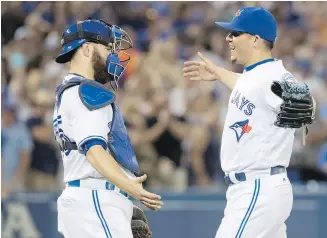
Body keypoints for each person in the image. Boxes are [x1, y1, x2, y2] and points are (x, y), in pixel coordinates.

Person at [183, 7, 315, 238]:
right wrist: (219, 73)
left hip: (258, 188)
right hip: (258, 188)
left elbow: (305, 101)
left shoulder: (274, 76)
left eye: (235, 34)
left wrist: (305, 107)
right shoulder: (256, 77)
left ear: (255, 39)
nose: (228, 38)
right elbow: (249, 86)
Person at [53, 19, 162, 238]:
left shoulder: (71, 91)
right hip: (95, 198)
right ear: (86, 48)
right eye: (108, 48)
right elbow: (94, 151)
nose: (114, 55)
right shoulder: (87, 91)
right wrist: (130, 187)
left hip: (91, 198)